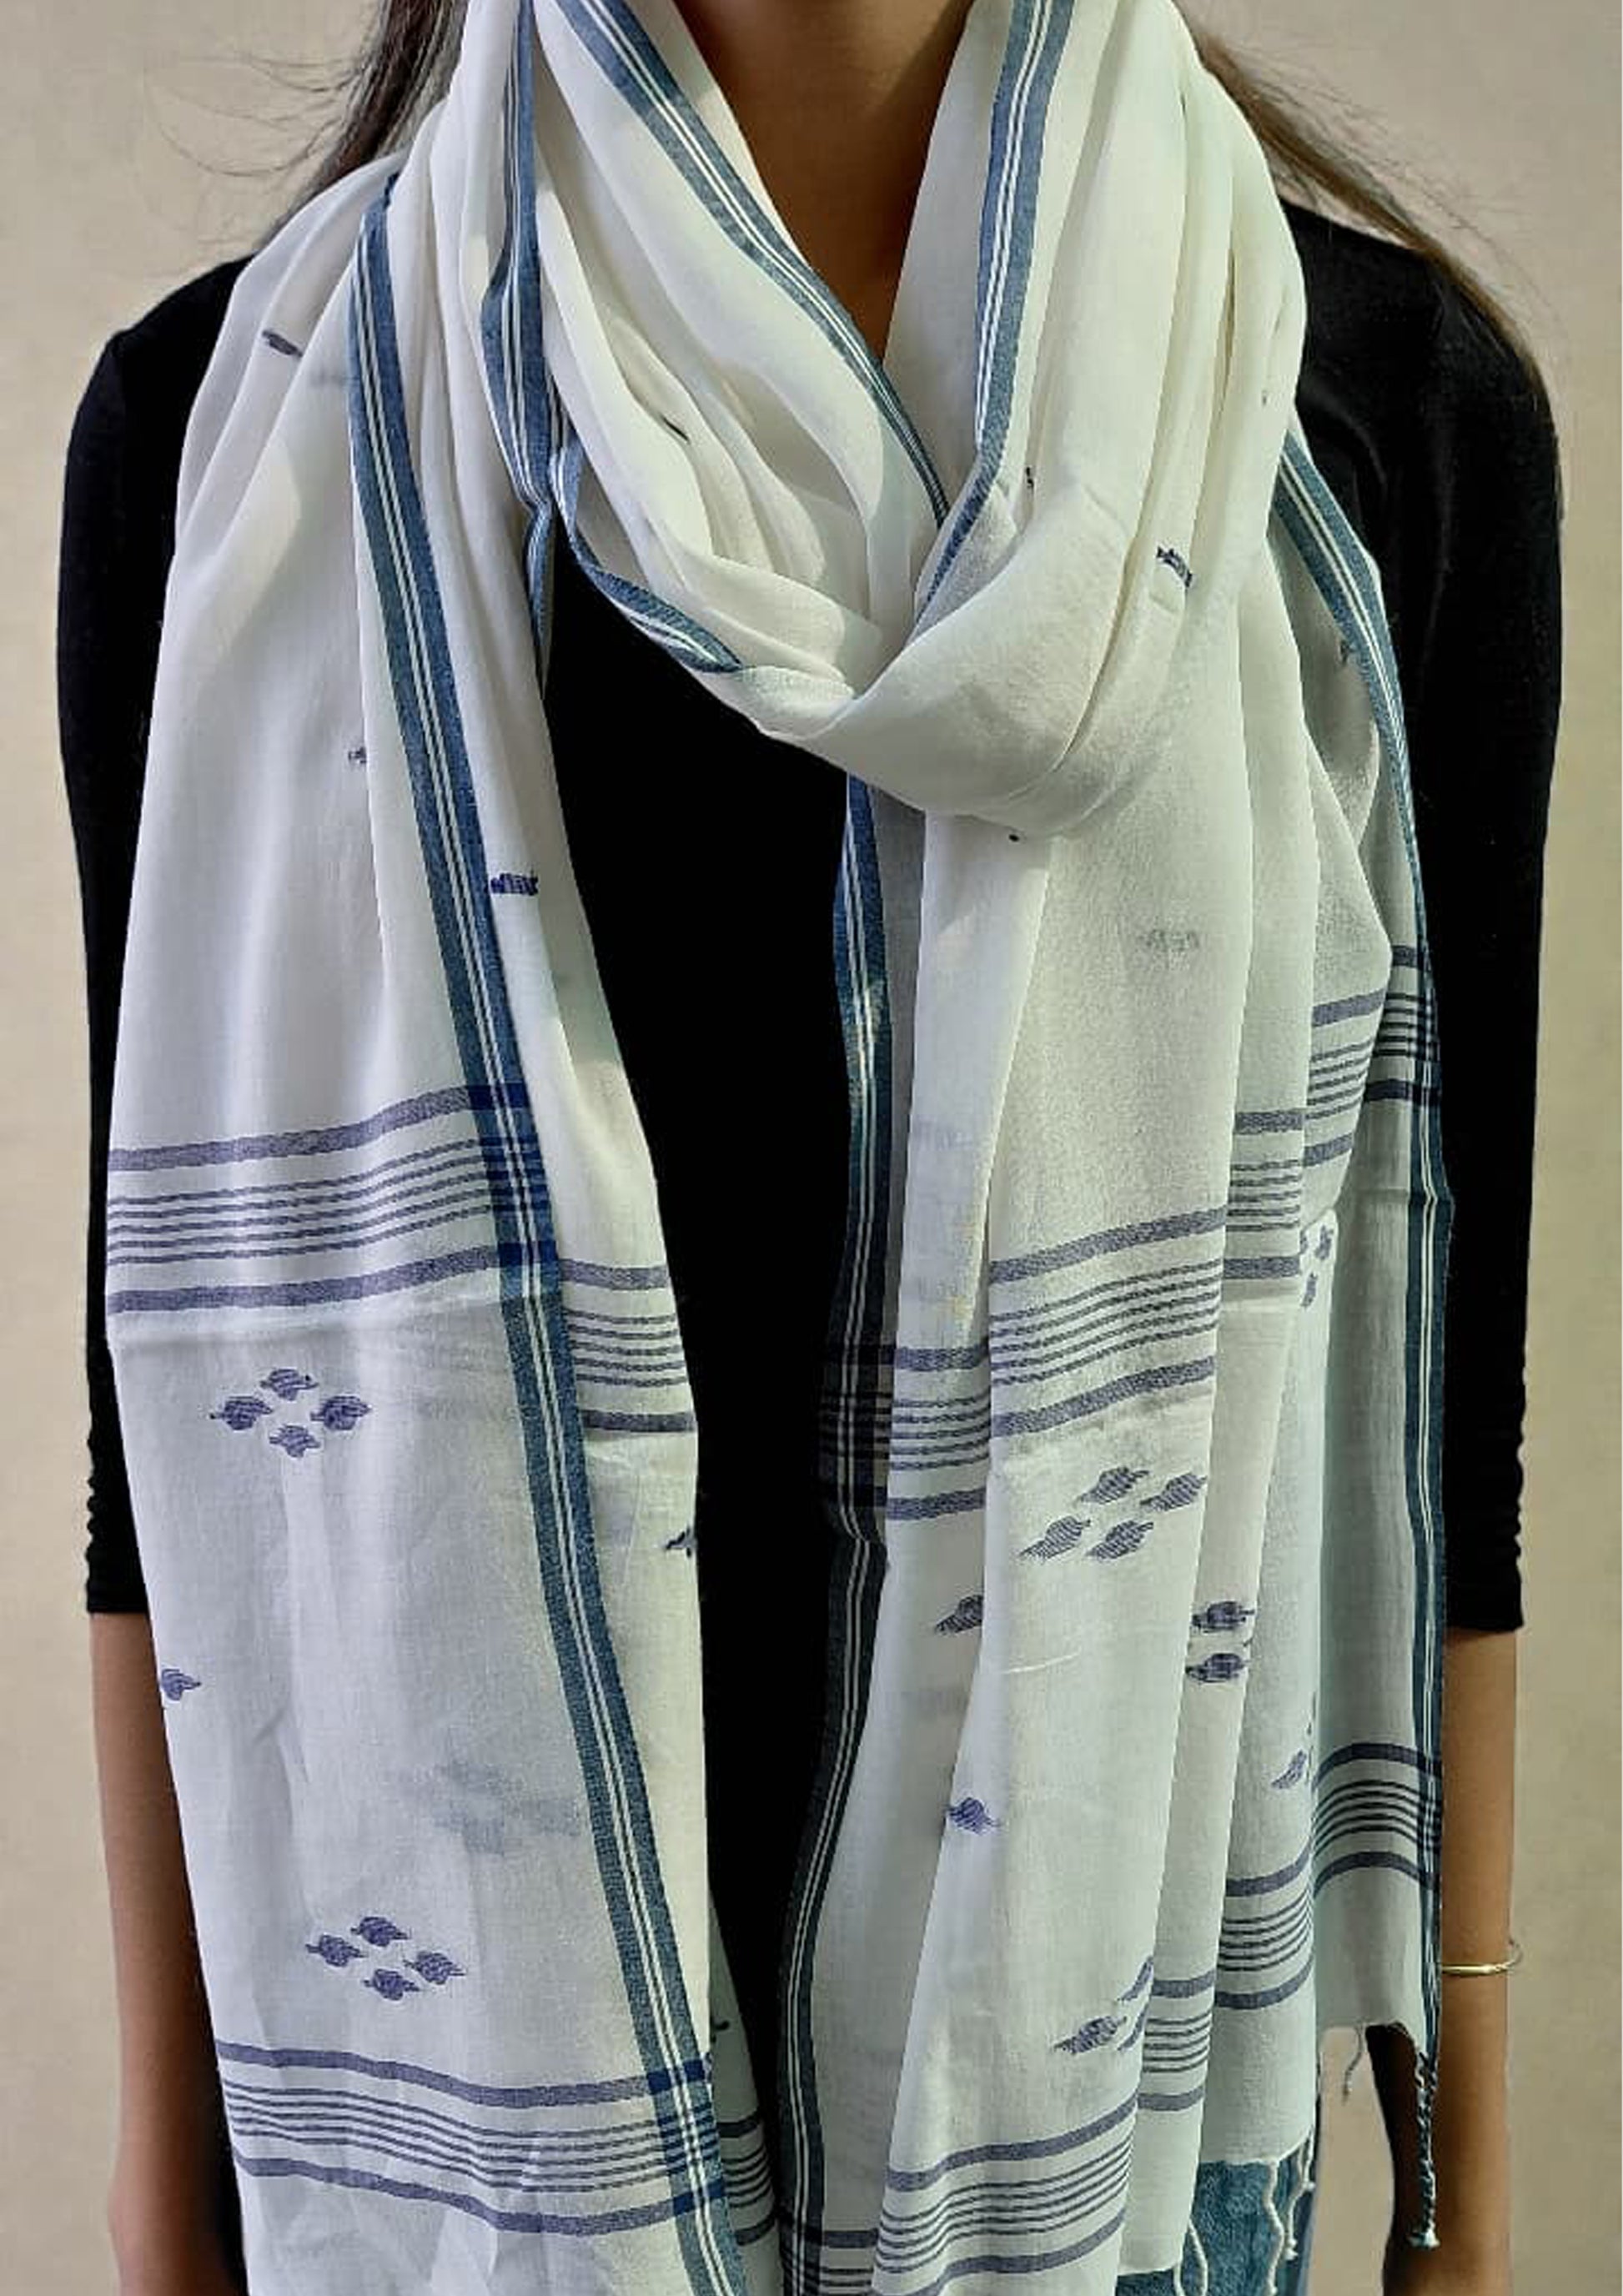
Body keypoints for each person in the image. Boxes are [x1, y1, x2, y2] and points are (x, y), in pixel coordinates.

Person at [57, 3, 1562, 2291]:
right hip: (454, 2173)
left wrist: (1463, 2175)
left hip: (1109, 2154)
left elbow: (1442, 1403)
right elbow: (168, 1430)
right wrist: (161, 2185)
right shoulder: (237, 431)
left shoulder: (1362, 414)